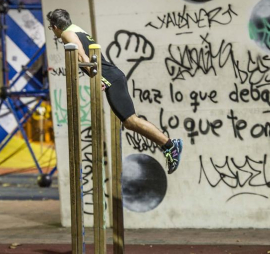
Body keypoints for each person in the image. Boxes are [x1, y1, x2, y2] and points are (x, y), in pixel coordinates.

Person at [47, 9, 182, 174]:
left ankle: (169, 145)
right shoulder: (76, 28)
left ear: (55, 26)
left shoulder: (67, 34)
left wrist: (97, 79)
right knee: (129, 121)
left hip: (111, 77)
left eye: (51, 28)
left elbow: (84, 58)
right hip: (113, 76)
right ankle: (168, 145)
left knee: (131, 121)